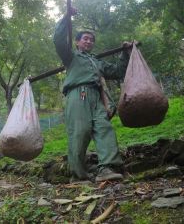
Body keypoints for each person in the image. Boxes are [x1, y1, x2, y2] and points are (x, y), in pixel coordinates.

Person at [53, 10, 133, 182]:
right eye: (85, 39)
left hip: (96, 97)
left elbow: (118, 71)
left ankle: (107, 169)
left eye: (91, 40)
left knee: (104, 128)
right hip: (78, 95)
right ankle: (78, 175)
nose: (89, 41)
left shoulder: (97, 62)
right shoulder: (71, 57)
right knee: (79, 133)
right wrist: (66, 18)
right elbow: (59, 41)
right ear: (77, 42)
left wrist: (125, 53)